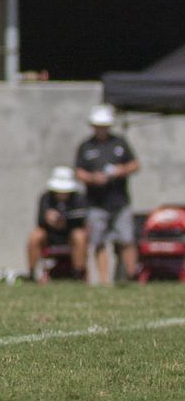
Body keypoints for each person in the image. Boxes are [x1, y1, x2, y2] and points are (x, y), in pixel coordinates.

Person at [74, 104, 140, 284]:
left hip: (119, 201)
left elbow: (135, 165)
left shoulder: (119, 143)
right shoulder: (86, 146)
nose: (101, 129)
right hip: (96, 202)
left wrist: (120, 170)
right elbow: (78, 172)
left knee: (126, 240)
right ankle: (105, 280)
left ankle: (131, 276)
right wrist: (92, 178)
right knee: (99, 241)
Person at [27, 166, 87, 282]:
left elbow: (81, 220)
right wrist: (49, 220)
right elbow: (40, 221)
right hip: (50, 235)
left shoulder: (78, 198)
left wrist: (65, 222)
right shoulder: (46, 198)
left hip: (70, 235)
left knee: (79, 236)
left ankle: (78, 274)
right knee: (35, 236)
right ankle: (32, 273)